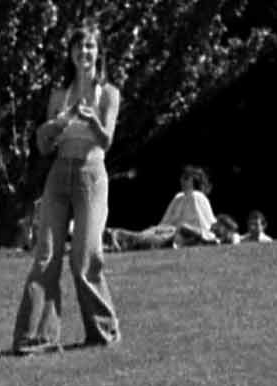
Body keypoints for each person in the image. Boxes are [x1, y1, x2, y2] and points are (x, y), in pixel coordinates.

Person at [12, 23, 120, 352]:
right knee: (46, 257)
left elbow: (107, 140)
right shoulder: (59, 95)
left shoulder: (109, 93)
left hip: (91, 174)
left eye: (89, 47)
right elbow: (44, 144)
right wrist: (57, 123)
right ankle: (36, 338)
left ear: (98, 53)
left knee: (85, 257)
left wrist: (91, 120)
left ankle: (103, 333)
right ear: (70, 54)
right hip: (59, 175)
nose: (83, 53)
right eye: (78, 47)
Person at [106, 166, 219, 250]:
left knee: (141, 239)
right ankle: (116, 237)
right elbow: (165, 222)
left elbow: (203, 224)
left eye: (186, 178)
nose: (182, 181)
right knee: (144, 236)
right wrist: (157, 229)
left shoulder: (197, 197)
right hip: (166, 231)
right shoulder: (178, 197)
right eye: (182, 178)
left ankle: (116, 236)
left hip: (178, 234)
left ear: (194, 181)